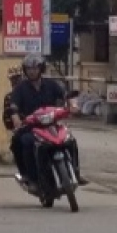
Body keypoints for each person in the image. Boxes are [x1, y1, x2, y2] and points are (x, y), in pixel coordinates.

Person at [9, 54, 85, 189]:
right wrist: (16, 119)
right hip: (31, 126)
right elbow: (14, 106)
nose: (32, 71)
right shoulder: (20, 88)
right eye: (29, 68)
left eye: (35, 68)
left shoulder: (51, 84)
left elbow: (65, 95)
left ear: (41, 69)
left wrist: (72, 105)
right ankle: (30, 177)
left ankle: (76, 172)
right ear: (25, 70)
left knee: (70, 140)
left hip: (52, 124)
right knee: (23, 141)